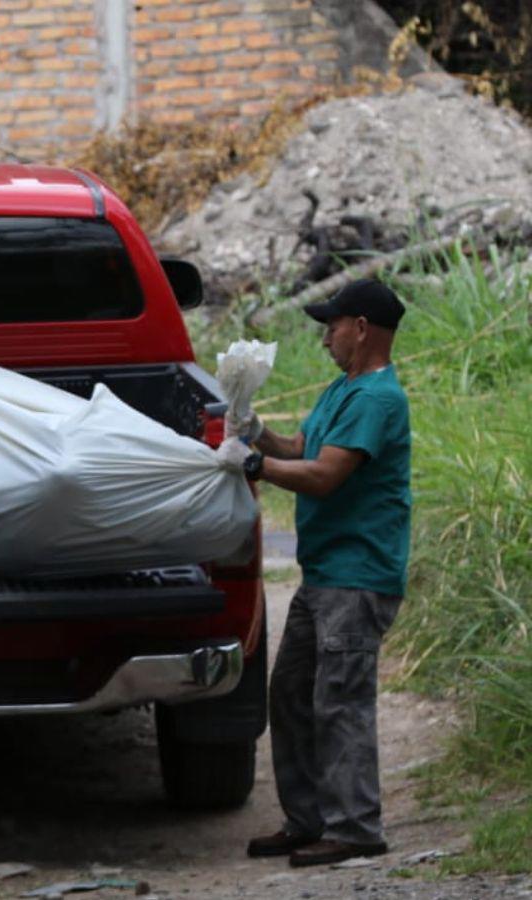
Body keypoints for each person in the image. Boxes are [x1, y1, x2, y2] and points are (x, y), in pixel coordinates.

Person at [218, 279, 411, 867]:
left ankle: (355, 826)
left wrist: (255, 464)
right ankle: (309, 820)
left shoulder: (378, 398)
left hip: (357, 574)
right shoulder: (341, 390)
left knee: (341, 698)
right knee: (292, 692)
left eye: (332, 327)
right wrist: (253, 429)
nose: (325, 338)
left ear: (361, 328)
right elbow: (302, 447)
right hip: (324, 571)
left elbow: (325, 475)